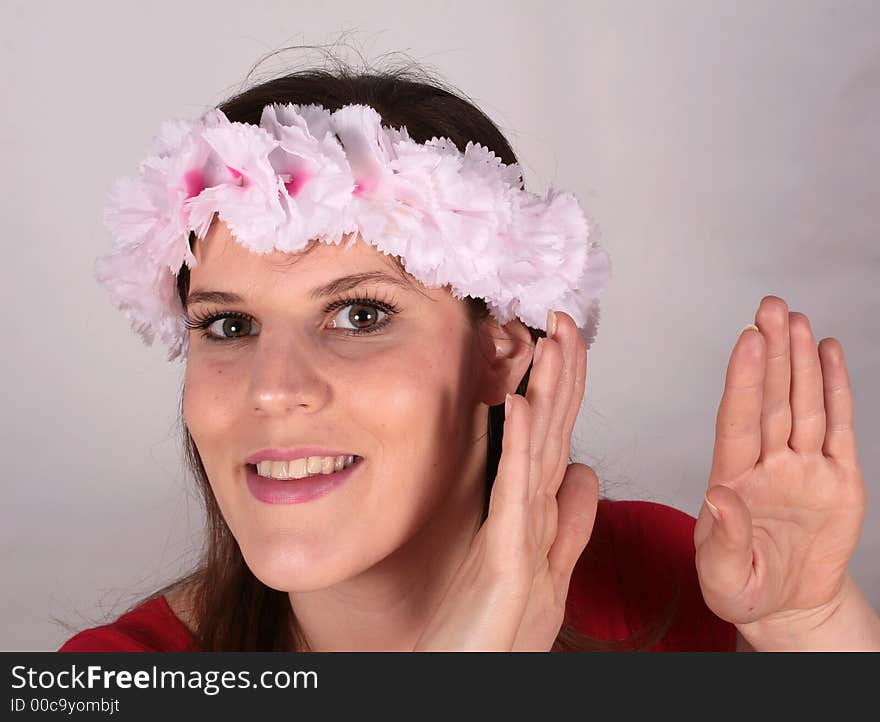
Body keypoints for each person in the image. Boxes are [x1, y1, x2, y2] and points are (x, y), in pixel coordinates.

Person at [57, 61, 879, 652]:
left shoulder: (675, 582)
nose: (272, 392)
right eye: (229, 327)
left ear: (502, 352)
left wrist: (811, 629)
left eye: (360, 314)